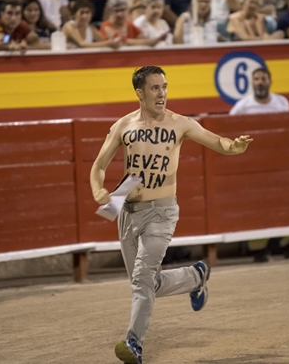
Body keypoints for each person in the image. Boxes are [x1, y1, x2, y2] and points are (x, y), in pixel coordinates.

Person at [89, 65, 253, 364]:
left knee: (141, 281)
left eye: (164, 87)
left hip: (162, 212)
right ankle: (194, 276)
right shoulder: (123, 125)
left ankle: (134, 343)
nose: (162, 93)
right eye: (155, 88)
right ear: (140, 92)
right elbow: (99, 166)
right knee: (146, 283)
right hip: (127, 211)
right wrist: (98, 191)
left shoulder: (181, 124)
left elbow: (217, 142)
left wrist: (234, 147)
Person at [229, 67, 289, 261]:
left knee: (286, 199)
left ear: (270, 81)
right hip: (252, 163)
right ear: (252, 83)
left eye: (263, 78)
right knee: (257, 201)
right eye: (256, 79)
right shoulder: (242, 106)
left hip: (280, 159)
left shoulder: (281, 102)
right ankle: (258, 249)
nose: (260, 82)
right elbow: (230, 129)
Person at [100, 0, 168, 46]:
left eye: (122, 10)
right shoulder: (106, 26)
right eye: (116, 11)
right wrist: (153, 41)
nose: (120, 14)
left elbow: (143, 40)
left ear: (127, 11)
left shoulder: (130, 25)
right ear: (111, 13)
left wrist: (156, 40)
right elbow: (119, 43)